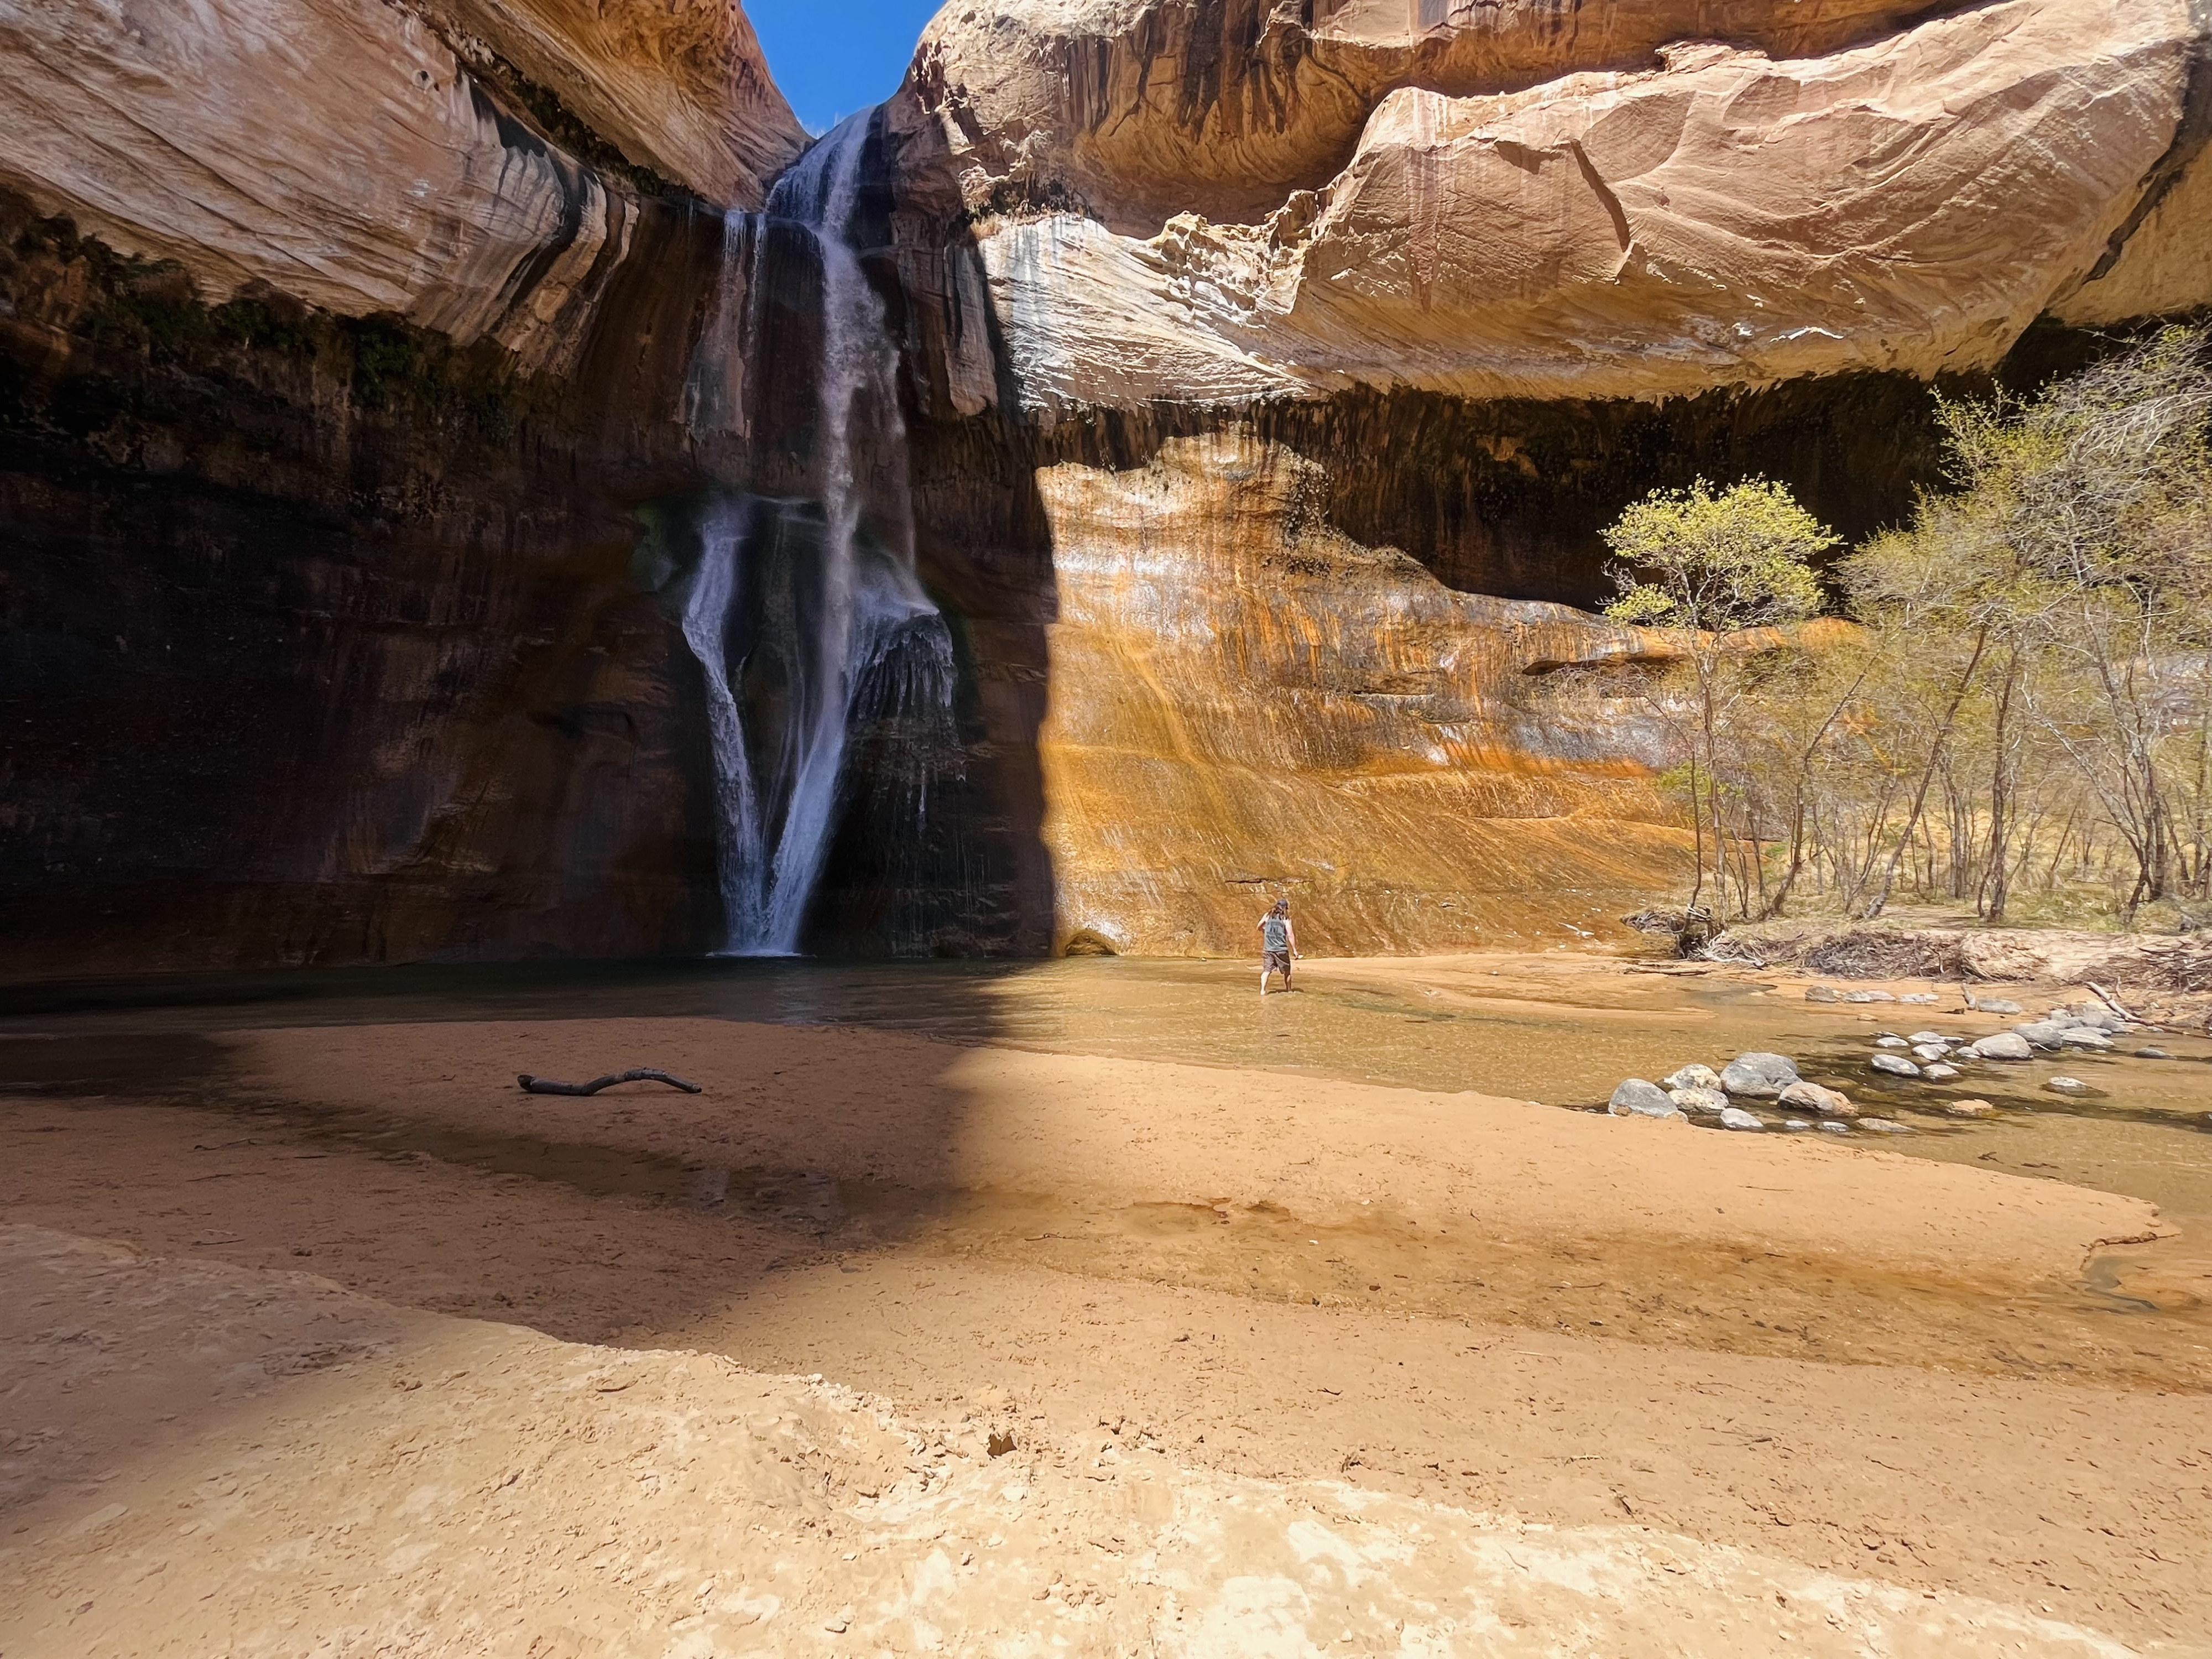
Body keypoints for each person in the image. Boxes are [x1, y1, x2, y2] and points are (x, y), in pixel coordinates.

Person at [1258, 898, 1298, 996]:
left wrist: (1264, 931)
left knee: (1267, 971)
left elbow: (1259, 926)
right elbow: (1290, 934)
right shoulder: (1285, 918)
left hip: (1268, 949)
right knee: (1287, 972)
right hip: (1281, 949)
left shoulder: (1267, 916)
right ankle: (1289, 990)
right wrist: (1295, 950)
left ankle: (1263, 991)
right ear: (1285, 908)